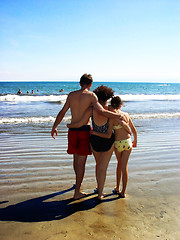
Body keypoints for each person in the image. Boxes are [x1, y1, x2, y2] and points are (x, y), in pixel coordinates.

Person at [51, 75, 126, 200]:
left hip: (72, 131)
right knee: (82, 163)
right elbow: (101, 111)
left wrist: (55, 126)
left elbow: (62, 112)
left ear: (80, 83)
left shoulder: (71, 95)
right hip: (84, 131)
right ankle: (77, 191)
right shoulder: (91, 96)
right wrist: (116, 116)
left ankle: (78, 186)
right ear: (90, 84)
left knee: (75, 160)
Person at [67, 85, 129, 200]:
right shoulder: (110, 110)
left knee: (98, 164)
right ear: (108, 97)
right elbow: (121, 121)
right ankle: (100, 192)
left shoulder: (92, 109)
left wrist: (70, 125)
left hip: (94, 141)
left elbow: (81, 123)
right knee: (103, 167)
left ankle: (98, 187)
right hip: (108, 141)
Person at [91, 96, 137, 198]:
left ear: (111, 105)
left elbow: (108, 134)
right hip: (128, 142)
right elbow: (133, 130)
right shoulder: (126, 115)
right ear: (120, 105)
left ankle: (117, 187)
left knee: (119, 165)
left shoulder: (112, 118)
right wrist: (135, 141)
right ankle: (123, 192)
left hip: (118, 143)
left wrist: (94, 132)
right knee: (124, 167)